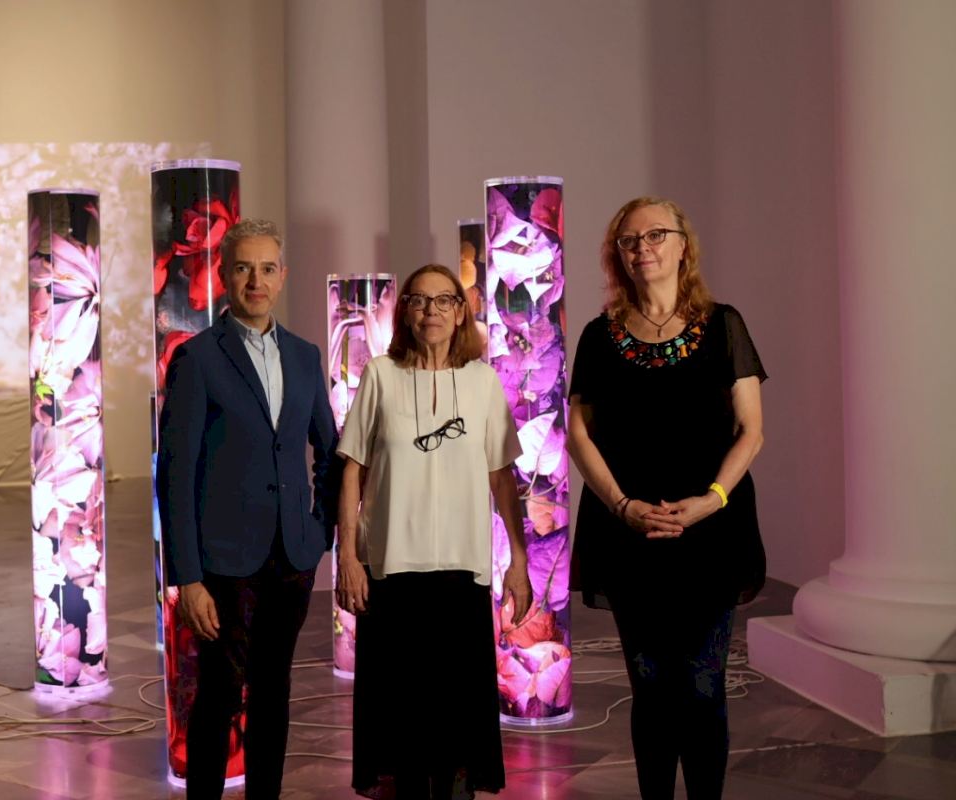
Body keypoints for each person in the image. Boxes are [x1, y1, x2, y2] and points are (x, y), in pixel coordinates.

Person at [567, 197, 767, 800]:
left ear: (683, 246)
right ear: (618, 255)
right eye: (629, 240)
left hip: (711, 530)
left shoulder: (724, 324)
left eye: (656, 234)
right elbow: (578, 435)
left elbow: (751, 430)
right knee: (650, 685)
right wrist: (622, 506)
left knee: (703, 684)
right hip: (629, 531)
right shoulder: (599, 336)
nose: (642, 248)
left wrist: (711, 499)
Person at [156, 218, 340, 800]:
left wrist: (320, 532)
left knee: (273, 694)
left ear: (282, 276)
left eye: (266, 269)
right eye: (243, 268)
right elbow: (175, 475)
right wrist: (187, 578)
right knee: (216, 697)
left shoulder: (306, 357)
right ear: (223, 275)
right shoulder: (197, 358)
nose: (255, 281)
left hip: (292, 557)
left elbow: (329, 452)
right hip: (222, 565)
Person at [335, 263, 533, 799]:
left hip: (462, 570)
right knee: (399, 714)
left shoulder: (482, 381)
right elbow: (352, 469)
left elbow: (501, 477)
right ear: (404, 312)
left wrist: (518, 559)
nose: (431, 311)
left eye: (444, 300)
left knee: (455, 714)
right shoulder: (381, 375)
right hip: (391, 569)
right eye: (419, 301)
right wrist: (348, 557)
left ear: (461, 312)